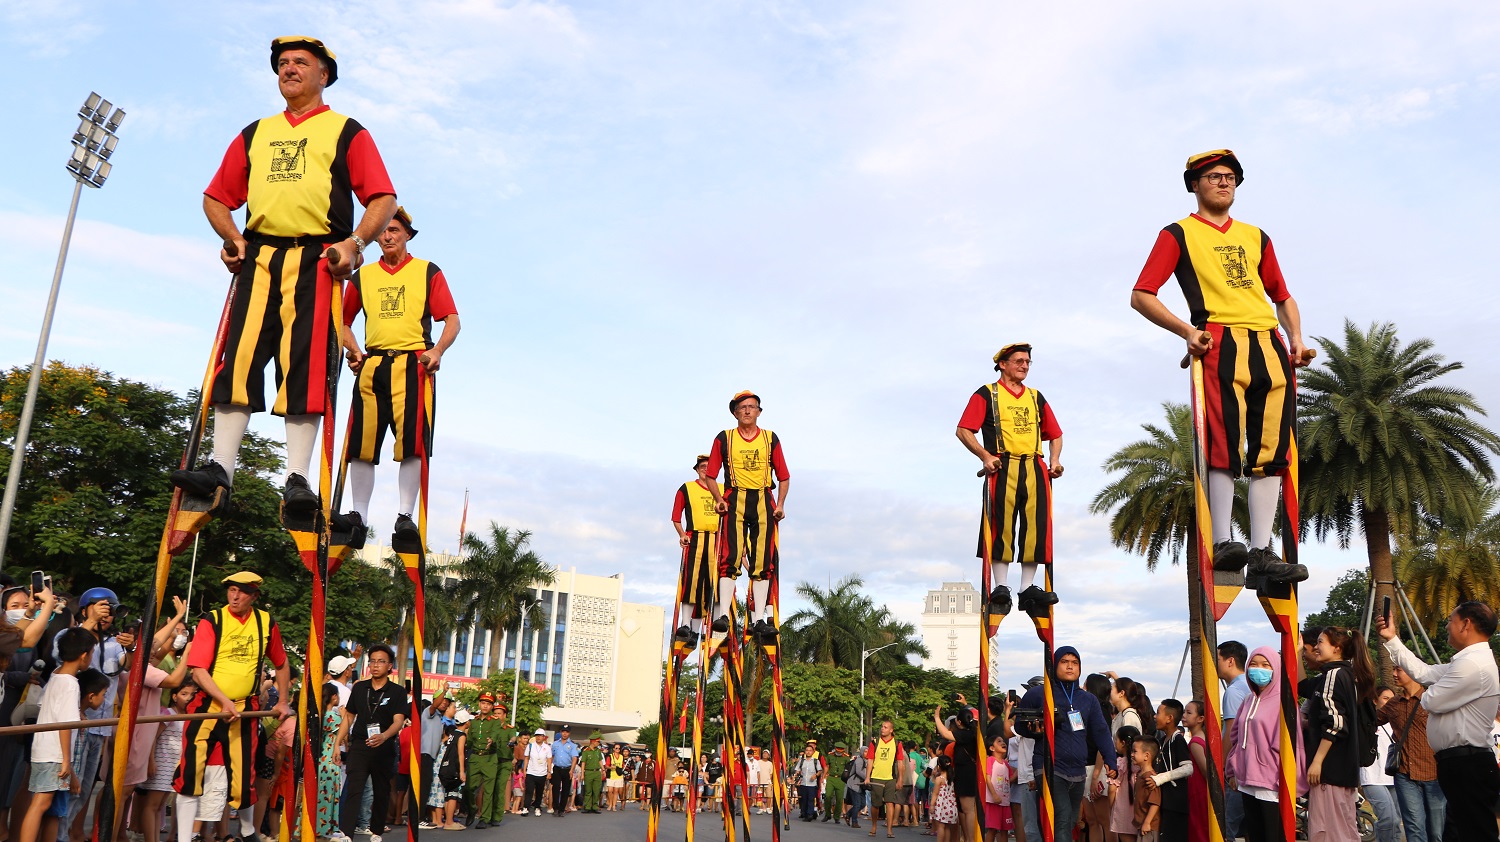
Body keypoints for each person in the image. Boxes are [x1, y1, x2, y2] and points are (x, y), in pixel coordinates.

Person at [174, 36, 397, 515]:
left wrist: (355, 244)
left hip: (317, 260)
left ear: (323, 75)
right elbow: (216, 195)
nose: (289, 69)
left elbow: (382, 197)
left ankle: (297, 477)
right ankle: (220, 468)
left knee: (304, 366)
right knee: (239, 360)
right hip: (258, 257)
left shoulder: (347, 131)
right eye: (282, 64)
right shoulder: (256, 132)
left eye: (300, 62)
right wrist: (233, 237)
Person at [1131, 149, 1311, 586]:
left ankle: (1263, 551)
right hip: (1219, 338)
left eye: (1230, 177)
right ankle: (1225, 540)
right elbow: (1142, 295)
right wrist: (1186, 332)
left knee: (1272, 450)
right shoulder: (1177, 234)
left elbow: (1281, 296)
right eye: (1213, 176)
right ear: (1195, 184)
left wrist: (1298, 340)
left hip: (1270, 343)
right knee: (1223, 442)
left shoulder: (1256, 236)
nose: (1224, 182)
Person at [338, 206, 460, 543]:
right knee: (361, 443)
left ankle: (405, 516)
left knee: (412, 443)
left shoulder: (427, 271)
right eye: (382, 232)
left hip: (414, 365)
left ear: (407, 234)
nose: (387, 236)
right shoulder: (363, 276)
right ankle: (358, 514)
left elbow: (451, 318)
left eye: (394, 230)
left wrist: (437, 351)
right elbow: (343, 320)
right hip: (373, 364)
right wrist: (353, 349)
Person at [175, 572, 292, 842]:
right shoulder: (212, 620)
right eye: (231, 590)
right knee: (190, 774)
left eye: (241, 591)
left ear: (254, 596)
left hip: (245, 709)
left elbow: (281, 663)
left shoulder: (265, 621)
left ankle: (249, 830)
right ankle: (183, 839)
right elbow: (198, 670)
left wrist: (283, 701)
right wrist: (224, 701)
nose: (235, 596)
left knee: (243, 777)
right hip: (207, 707)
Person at [1378, 600, 1500, 840]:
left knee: (1474, 832)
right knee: (1462, 831)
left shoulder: (1473, 664)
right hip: (1462, 761)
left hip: (1468, 760)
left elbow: (1430, 700)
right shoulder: (1467, 662)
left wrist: (1434, 689)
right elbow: (1424, 673)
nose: (1446, 627)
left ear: (1466, 624)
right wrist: (1391, 639)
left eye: (1450, 621)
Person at [956, 342, 1064, 613]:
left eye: (1027, 362)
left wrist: (1054, 460)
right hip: (1002, 467)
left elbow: (1056, 433)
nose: (1024, 366)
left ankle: (1028, 588)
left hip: (1033, 467)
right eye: (1019, 361)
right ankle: (1001, 586)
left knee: (1035, 529)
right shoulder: (986, 394)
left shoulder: (1036, 396)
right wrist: (984, 455)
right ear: (1003, 364)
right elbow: (964, 430)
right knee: (1000, 525)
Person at [704, 391, 790, 641]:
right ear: (735, 412)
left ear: (759, 412)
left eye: (752, 407)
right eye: (742, 407)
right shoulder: (724, 438)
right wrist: (719, 500)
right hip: (735, 499)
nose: (747, 411)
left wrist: (781, 504)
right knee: (729, 556)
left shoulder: (770, 438)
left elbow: (783, 475)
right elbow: (711, 474)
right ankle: (722, 614)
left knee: (762, 560)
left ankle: (759, 619)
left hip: (764, 498)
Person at [1018, 646, 1118, 841]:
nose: (1070, 667)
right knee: (1062, 819)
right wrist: (1034, 730)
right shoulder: (1039, 694)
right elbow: (1020, 727)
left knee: (1071, 821)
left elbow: (1101, 731)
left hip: (1078, 771)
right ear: (1054, 665)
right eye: (1064, 662)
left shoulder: (1088, 700)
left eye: (1075, 663)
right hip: (1049, 766)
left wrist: (1110, 760)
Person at [17, 629, 93, 842]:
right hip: (54, 753)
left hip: (46, 750)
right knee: (41, 804)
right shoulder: (70, 683)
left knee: (54, 809)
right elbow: (65, 724)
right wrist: (67, 761)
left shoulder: (56, 675)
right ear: (84, 655)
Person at [1303, 626, 1377, 842]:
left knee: (1328, 831)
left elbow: (1335, 723)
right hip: (1342, 769)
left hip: (1331, 768)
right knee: (1344, 830)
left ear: (1336, 648)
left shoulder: (1334, 675)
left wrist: (1317, 761)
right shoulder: (1345, 674)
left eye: (1320, 642)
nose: (1315, 647)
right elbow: (1303, 687)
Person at [1226, 646, 1306, 842]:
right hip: (1246, 780)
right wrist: (1232, 770)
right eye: (1253, 664)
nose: (1258, 669)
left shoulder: (1284, 700)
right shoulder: (1247, 700)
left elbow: (1291, 744)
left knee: (1274, 835)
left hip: (1271, 782)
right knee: (1254, 835)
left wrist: (1287, 780)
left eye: (1265, 665)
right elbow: (1236, 738)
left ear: (1276, 668)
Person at [334, 643, 407, 842]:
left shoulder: (398, 692)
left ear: (389, 666)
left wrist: (384, 736)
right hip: (359, 745)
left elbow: (398, 721)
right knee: (353, 787)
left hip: (384, 747)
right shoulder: (360, 688)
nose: (376, 665)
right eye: (373, 661)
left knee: (381, 790)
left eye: (381, 662)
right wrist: (337, 743)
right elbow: (348, 717)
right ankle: (346, 833)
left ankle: (376, 831)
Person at [1377, 664, 1445, 842]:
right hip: (1405, 774)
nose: (1394, 674)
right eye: (1392, 669)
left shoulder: (1433, 699)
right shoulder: (1393, 703)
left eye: (1399, 669)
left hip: (1435, 774)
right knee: (1414, 829)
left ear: (1415, 671)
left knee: (1437, 832)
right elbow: (1371, 721)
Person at [670, 455, 722, 643]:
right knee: (692, 582)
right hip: (695, 539)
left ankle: (717, 624)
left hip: (717, 541)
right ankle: (686, 625)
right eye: (702, 466)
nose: (706, 469)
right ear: (697, 469)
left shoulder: (724, 489)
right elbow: (676, 516)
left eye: (709, 466)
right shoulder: (687, 488)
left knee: (716, 583)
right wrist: (682, 534)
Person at [1215, 639, 1250, 837]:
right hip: (1250, 767)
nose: (1215, 663)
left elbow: (1230, 732)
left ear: (1230, 661)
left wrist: (1221, 763)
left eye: (1217, 658)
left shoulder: (1234, 690)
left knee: (1227, 826)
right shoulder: (1250, 687)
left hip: (1236, 769)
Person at [466, 692, 515, 827]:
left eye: (488, 704)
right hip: (475, 758)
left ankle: (485, 818)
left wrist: (491, 740)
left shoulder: (495, 723)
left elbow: (495, 734)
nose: (485, 706)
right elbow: (469, 741)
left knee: (490, 790)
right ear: (479, 704)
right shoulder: (474, 722)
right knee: (469, 788)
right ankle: (472, 809)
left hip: (491, 759)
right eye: (483, 703)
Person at [1147, 699, 1192, 842]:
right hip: (1167, 803)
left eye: (1158, 713)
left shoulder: (1177, 739)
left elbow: (1188, 768)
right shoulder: (1162, 741)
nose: (1155, 716)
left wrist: (1160, 778)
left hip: (1176, 804)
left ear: (1169, 718)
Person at [1361, 686, 1400, 842]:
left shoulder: (1397, 722)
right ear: (1374, 700)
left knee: (1396, 821)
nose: (1390, 702)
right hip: (1372, 778)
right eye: (1385, 698)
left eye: (1393, 699)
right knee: (1389, 818)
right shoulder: (1367, 722)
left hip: (1393, 777)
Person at [865, 719, 908, 837]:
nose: (882, 729)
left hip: (890, 778)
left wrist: (900, 779)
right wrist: (867, 777)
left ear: (891, 730)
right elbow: (870, 760)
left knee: (890, 803)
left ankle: (889, 829)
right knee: (875, 804)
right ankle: (874, 826)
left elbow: (900, 763)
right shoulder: (875, 742)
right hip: (876, 777)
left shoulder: (897, 743)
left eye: (885, 727)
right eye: (882, 727)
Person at [417, 693, 452, 829]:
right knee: (423, 787)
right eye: (442, 700)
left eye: (447, 701)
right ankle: (419, 818)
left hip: (430, 756)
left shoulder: (440, 718)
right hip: (424, 754)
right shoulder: (429, 712)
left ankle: (420, 816)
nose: (444, 703)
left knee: (424, 787)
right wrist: (443, 690)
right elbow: (434, 706)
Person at [432, 711, 469, 830]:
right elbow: (460, 753)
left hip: (445, 767)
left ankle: (449, 819)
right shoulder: (461, 736)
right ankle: (449, 821)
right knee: (453, 794)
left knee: (448, 794)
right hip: (454, 768)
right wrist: (462, 771)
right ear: (467, 723)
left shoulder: (452, 734)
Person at [1181, 700, 1211, 842]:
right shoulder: (1201, 739)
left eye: (1189, 712)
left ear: (1200, 719)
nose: (1184, 716)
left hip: (1198, 792)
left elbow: (1206, 772)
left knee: (1199, 830)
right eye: (1184, 712)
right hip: (1199, 791)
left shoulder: (1195, 743)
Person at [982, 733, 1014, 842]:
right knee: (993, 829)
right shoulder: (990, 760)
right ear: (992, 748)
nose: (1003, 742)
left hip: (1005, 802)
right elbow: (988, 778)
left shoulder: (1006, 764)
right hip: (993, 801)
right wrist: (994, 795)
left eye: (1002, 741)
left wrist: (1021, 770)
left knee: (1005, 830)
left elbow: (1010, 779)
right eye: (998, 741)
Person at [1130, 738, 1162, 842]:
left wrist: (1147, 822)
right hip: (1142, 825)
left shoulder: (1151, 778)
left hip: (1150, 827)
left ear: (1146, 756)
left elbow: (1155, 803)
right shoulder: (1140, 774)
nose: (1131, 754)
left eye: (1135, 751)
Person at [549, 726, 580, 816]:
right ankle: (556, 808)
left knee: (566, 790)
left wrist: (571, 770)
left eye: (567, 732)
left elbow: (574, 758)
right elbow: (552, 756)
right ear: (560, 732)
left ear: (569, 733)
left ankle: (562, 809)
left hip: (567, 769)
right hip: (557, 768)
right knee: (555, 788)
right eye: (563, 731)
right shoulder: (555, 744)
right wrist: (550, 768)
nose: (565, 733)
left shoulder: (573, 745)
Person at [792, 740, 824, 821]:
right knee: (804, 799)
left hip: (812, 784)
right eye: (807, 750)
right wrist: (796, 776)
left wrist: (815, 775)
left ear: (813, 752)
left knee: (810, 799)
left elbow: (820, 771)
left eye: (810, 750)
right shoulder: (802, 761)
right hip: (803, 783)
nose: (808, 752)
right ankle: (804, 813)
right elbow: (797, 770)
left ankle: (809, 815)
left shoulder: (816, 761)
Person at [929, 755, 958, 842]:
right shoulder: (952, 778)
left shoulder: (939, 779)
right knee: (947, 827)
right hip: (951, 804)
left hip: (942, 805)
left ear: (939, 766)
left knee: (941, 826)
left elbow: (935, 793)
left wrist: (932, 805)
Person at [579, 734, 604, 813]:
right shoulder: (586, 751)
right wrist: (582, 774)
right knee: (588, 791)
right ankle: (587, 806)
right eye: (597, 742)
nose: (598, 743)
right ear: (592, 742)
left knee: (596, 791)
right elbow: (583, 763)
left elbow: (600, 760)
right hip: (589, 772)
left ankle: (595, 806)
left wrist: (603, 770)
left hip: (597, 772)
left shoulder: (598, 751)